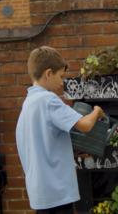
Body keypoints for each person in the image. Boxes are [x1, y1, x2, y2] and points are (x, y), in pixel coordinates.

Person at [16, 46, 104, 214]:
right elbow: (85, 125)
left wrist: (69, 153)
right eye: (61, 76)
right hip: (56, 190)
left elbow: (40, 147)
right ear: (48, 73)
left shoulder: (28, 104)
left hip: (41, 193)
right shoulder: (48, 100)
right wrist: (97, 111)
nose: (62, 82)